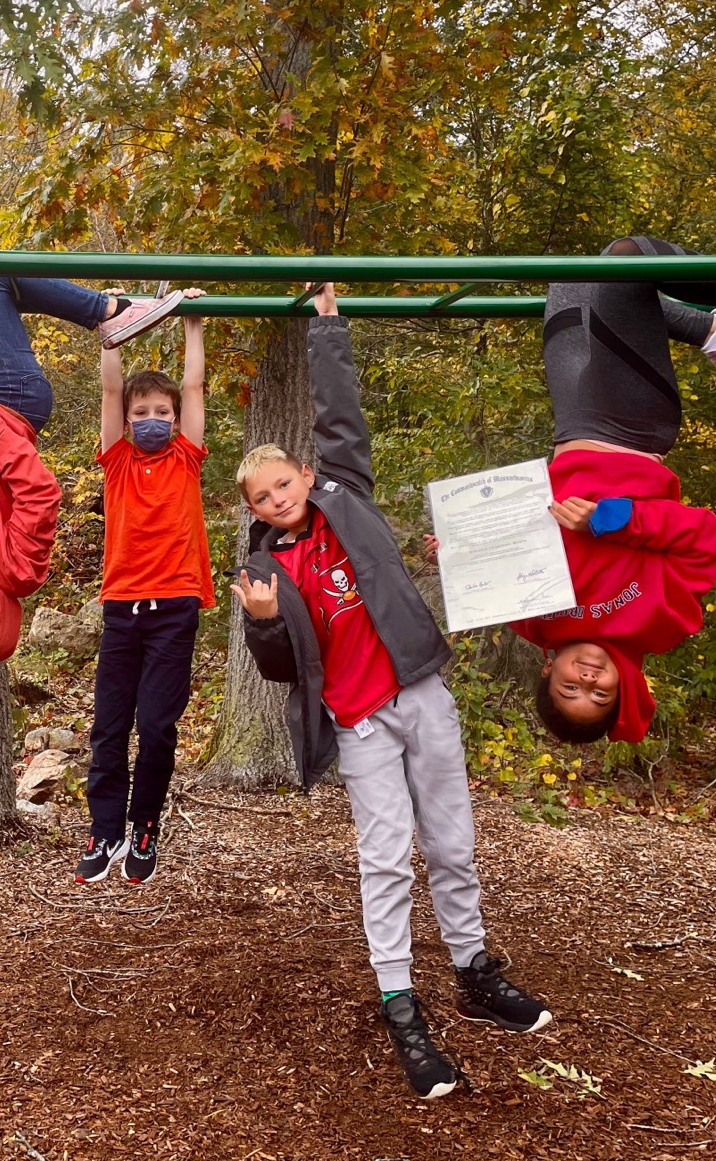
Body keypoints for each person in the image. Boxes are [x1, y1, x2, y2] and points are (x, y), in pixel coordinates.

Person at [231, 283, 550, 1101]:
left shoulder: (346, 496)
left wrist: (327, 331)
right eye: (263, 498)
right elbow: (277, 669)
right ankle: (400, 1002)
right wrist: (265, 624)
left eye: (284, 483)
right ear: (255, 513)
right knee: (385, 860)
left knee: (451, 842)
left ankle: (475, 969)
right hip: (361, 721)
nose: (279, 498)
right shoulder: (263, 570)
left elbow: (343, 418)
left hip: (421, 693)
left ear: (305, 474)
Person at [511, 236, 716, 744]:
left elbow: (500, 546)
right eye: (599, 696)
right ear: (625, 687)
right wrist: (611, 521)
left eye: (569, 689)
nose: (588, 681)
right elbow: (700, 538)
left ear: (548, 673)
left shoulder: (530, 620)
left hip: (570, 432)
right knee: (628, 260)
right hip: (632, 430)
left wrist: (459, 551)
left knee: (569, 281)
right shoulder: (660, 623)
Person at [0, 277, 185, 667]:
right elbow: (39, 494)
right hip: (16, 403)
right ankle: (109, 311)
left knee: (3, 286)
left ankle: (109, 308)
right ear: (2, 620)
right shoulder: (18, 574)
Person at [77, 296, 212, 886]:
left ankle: (144, 827)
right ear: (129, 420)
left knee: (157, 725)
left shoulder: (185, 456)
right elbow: (109, 393)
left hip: (175, 606)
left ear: (175, 419)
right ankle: (104, 829)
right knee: (109, 724)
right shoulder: (118, 460)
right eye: (142, 412)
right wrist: (111, 334)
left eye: (162, 410)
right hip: (122, 607)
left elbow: (196, 384)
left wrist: (192, 324)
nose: (152, 418)